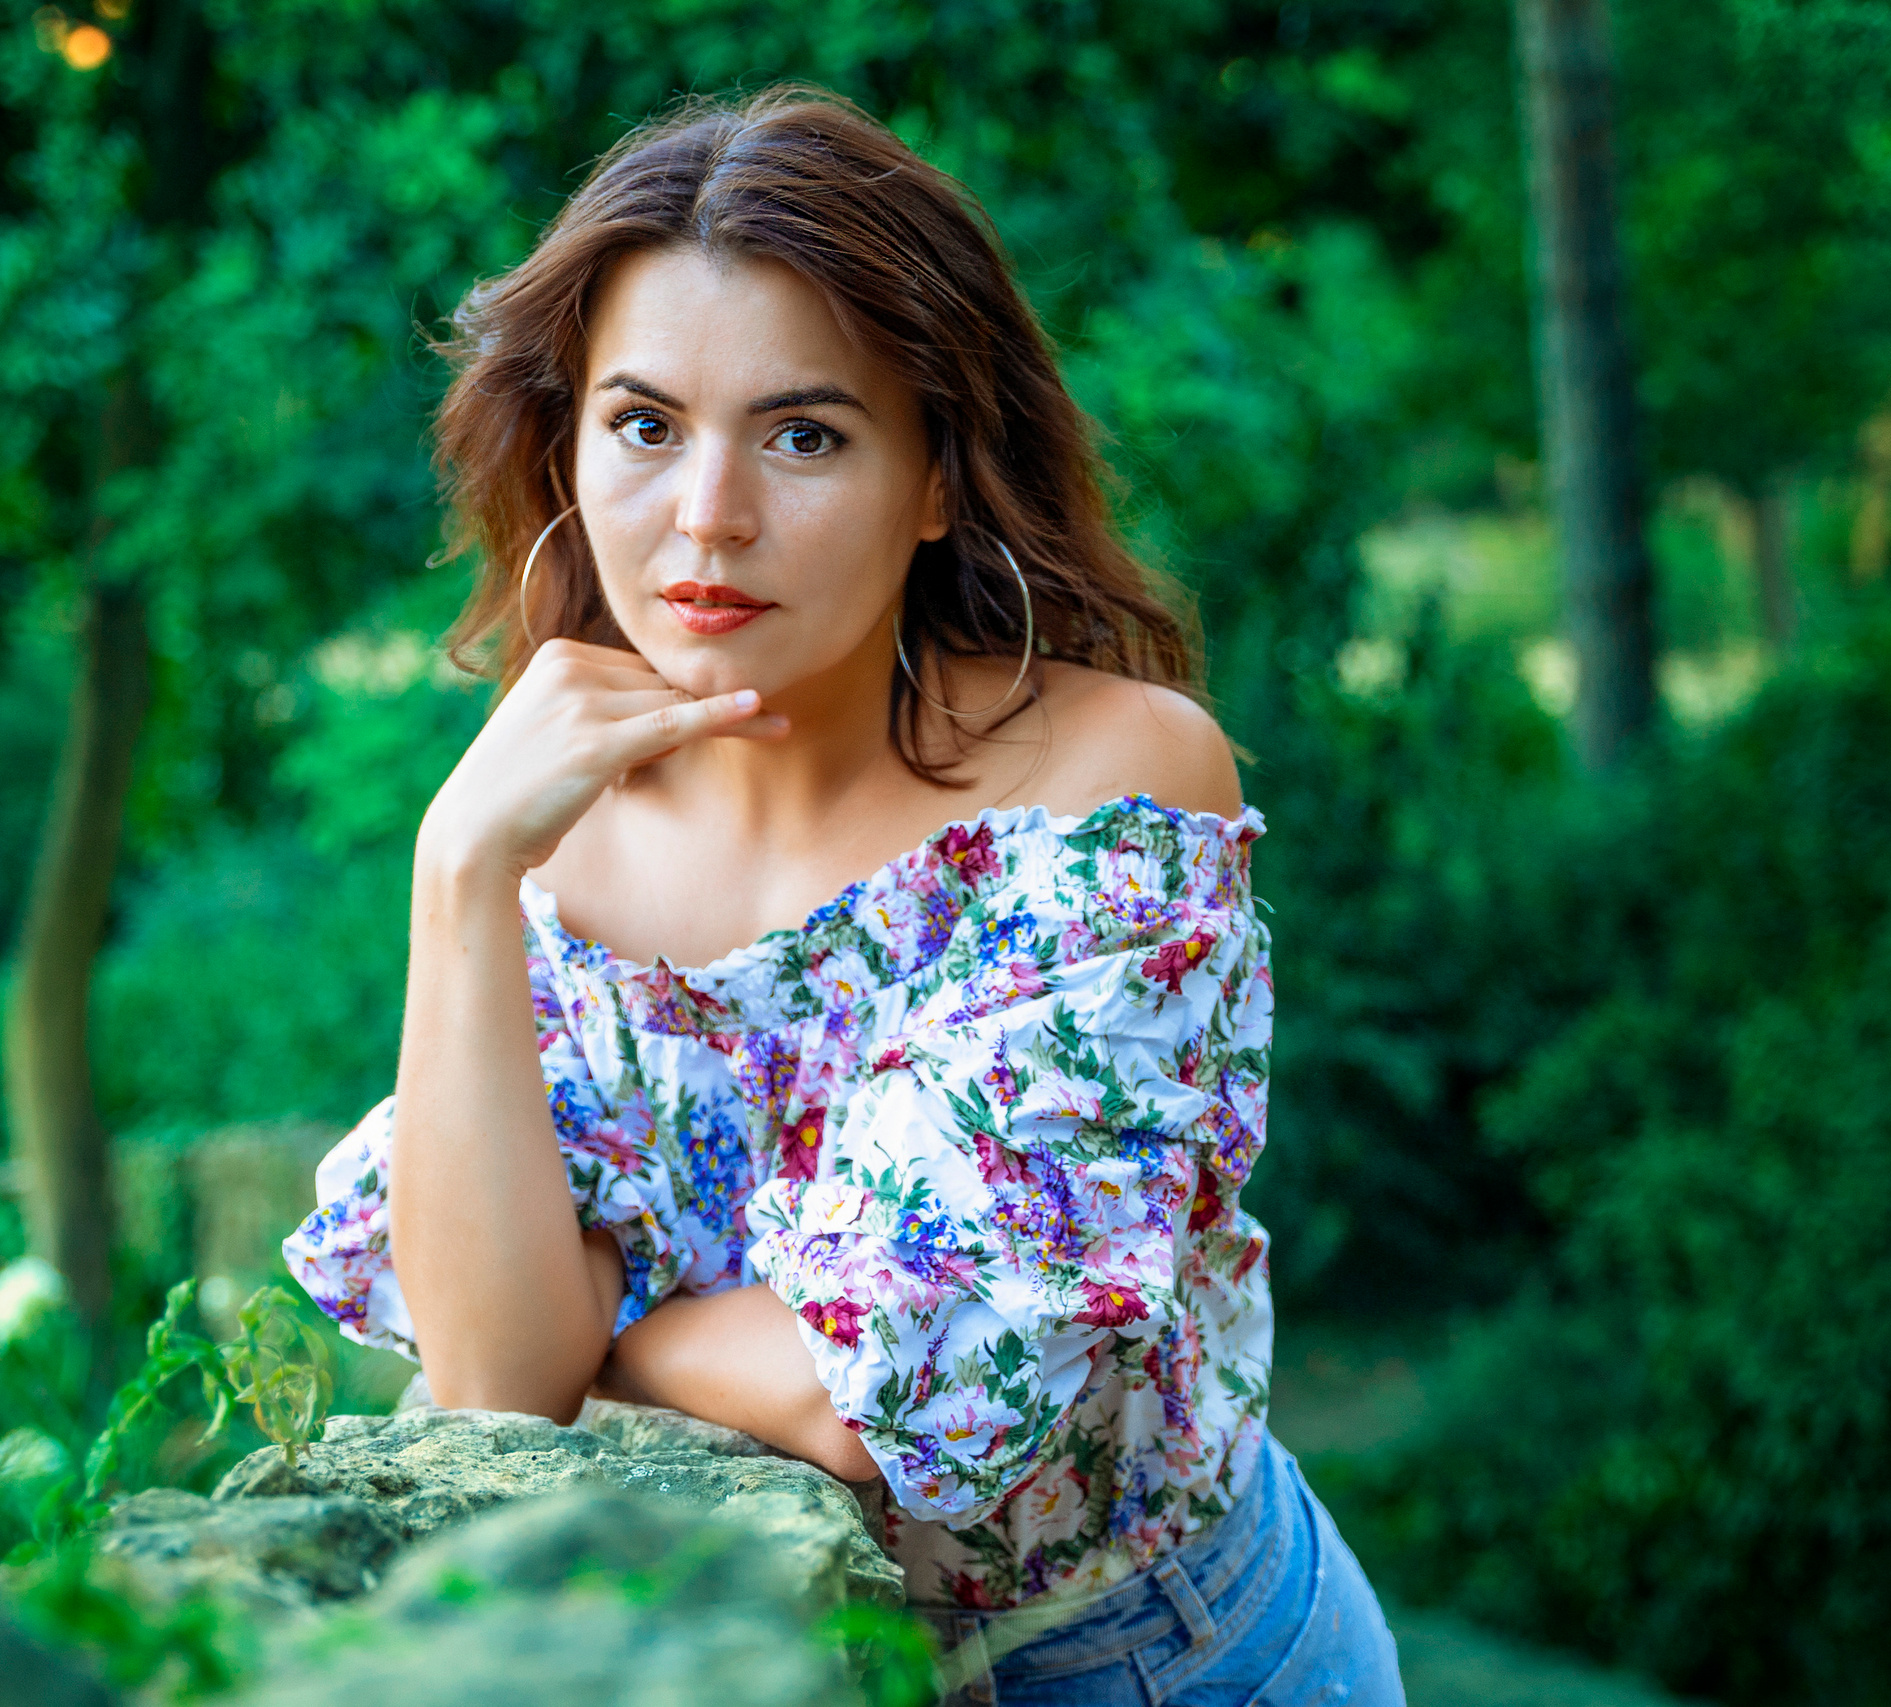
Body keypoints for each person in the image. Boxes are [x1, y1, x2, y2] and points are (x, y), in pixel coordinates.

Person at [285, 86, 1404, 1707]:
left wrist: (616, 1326)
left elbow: (879, 1395)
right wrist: (459, 877)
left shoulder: (1109, 791)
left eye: (804, 434)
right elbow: (485, 1374)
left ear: (939, 477)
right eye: (646, 425)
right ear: (566, 439)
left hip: (1170, 1660)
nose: (706, 517)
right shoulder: (556, 811)